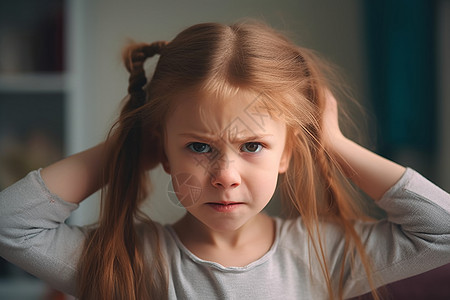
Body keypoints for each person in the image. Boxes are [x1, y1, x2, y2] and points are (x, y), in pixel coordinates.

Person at [0, 21, 449, 300]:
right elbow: (10, 224)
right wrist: (125, 151)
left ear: (288, 152)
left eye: (252, 146)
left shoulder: (324, 253)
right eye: (198, 147)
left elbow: (442, 231)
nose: (226, 177)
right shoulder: (131, 263)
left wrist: (332, 143)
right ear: (162, 151)